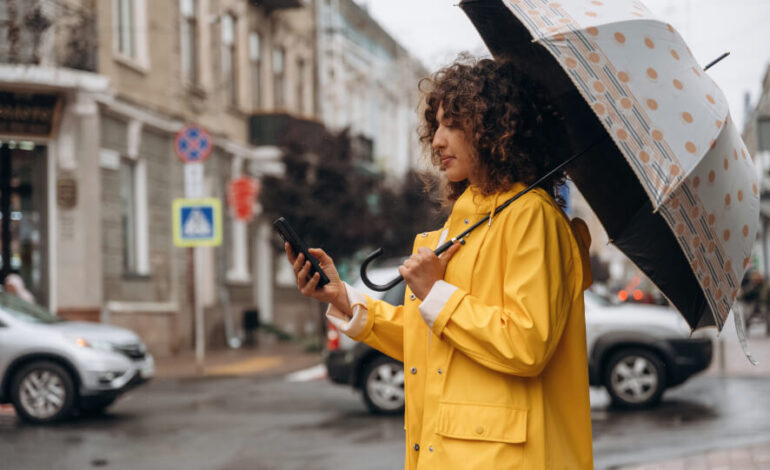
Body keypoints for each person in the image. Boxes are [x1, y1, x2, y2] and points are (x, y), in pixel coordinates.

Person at [285, 57, 594, 469]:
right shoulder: (465, 224)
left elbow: (526, 344)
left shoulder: (530, 217)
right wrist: (344, 300)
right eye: (437, 127)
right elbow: (433, 340)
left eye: (453, 124)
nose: (437, 142)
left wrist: (434, 292)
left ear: (497, 128)